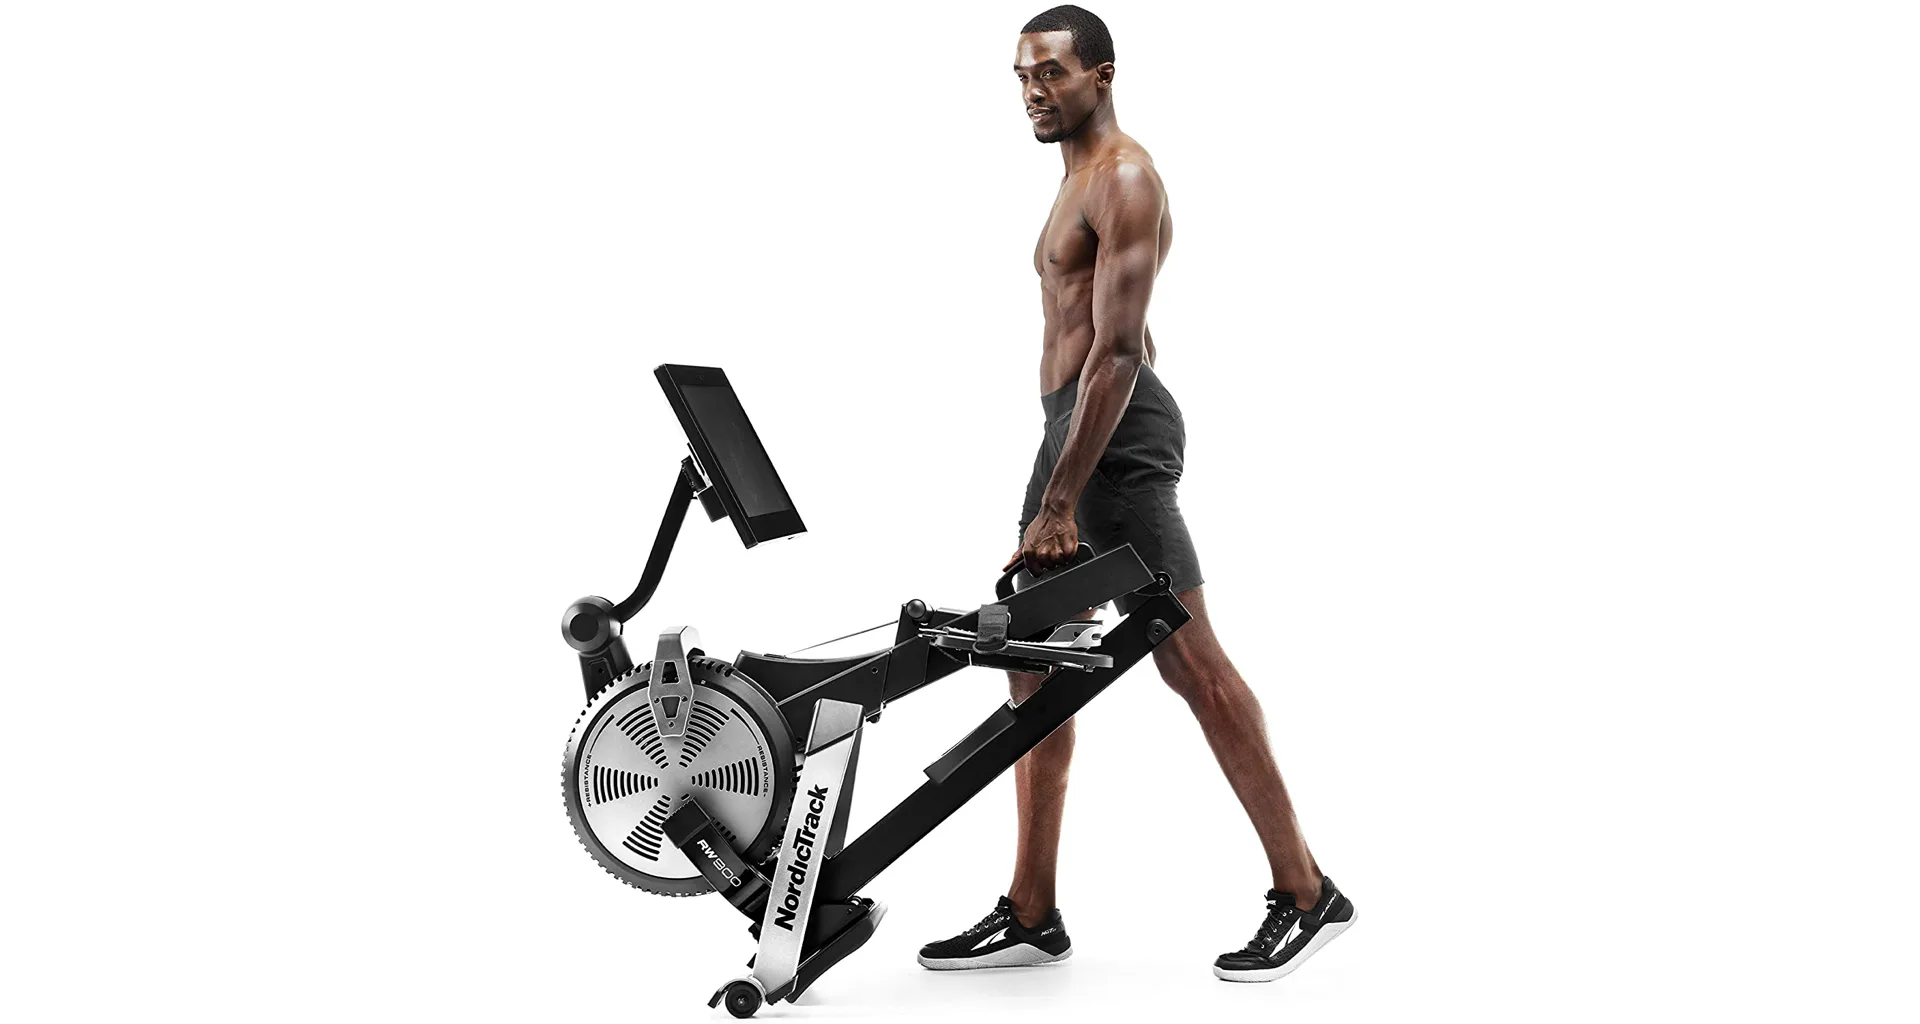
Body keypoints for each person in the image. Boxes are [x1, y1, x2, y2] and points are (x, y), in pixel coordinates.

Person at [915, 6, 1356, 983]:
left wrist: (1061, 502)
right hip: (1072, 435)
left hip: (1110, 443)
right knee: (1032, 665)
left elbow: (1116, 352)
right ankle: (1032, 911)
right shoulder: (1075, 178)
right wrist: (1057, 471)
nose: (1033, 92)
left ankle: (1308, 891)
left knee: (1190, 662)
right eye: (1021, 76)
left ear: (1102, 75)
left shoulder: (1123, 178)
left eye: (1051, 74)